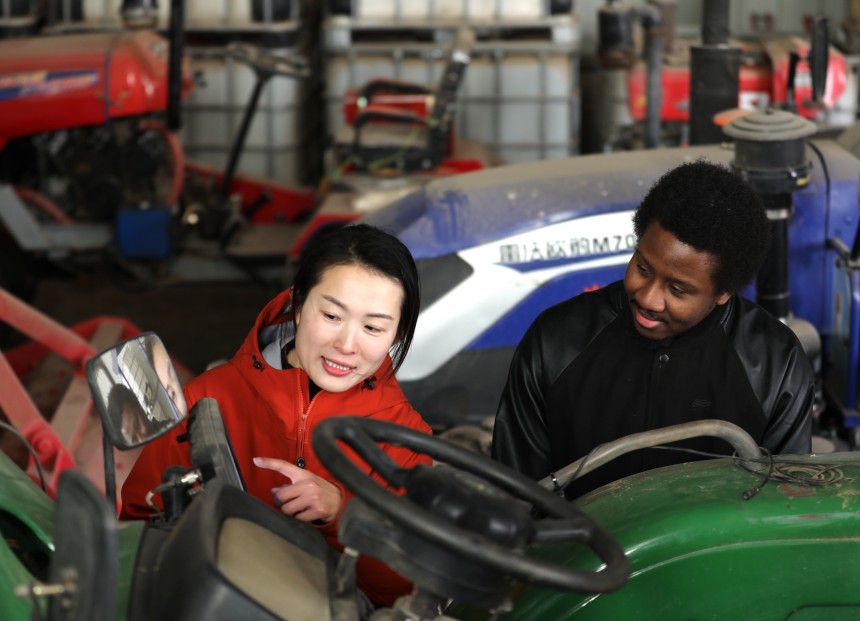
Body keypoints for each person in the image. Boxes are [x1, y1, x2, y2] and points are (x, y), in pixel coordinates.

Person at [120, 223, 432, 609]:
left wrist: (342, 513)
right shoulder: (208, 396)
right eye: (332, 316)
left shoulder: (404, 436)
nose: (346, 345)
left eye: (373, 327)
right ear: (299, 304)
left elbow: (409, 588)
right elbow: (138, 525)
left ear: (397, 335)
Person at [491, 160, 814, 498]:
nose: (648, 298)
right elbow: (514, 498)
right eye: (643, 268)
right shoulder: (554, 342)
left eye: (677, 290)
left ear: (722, 293)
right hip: (575, 550)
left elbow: (785, 509)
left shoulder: (777, 366)